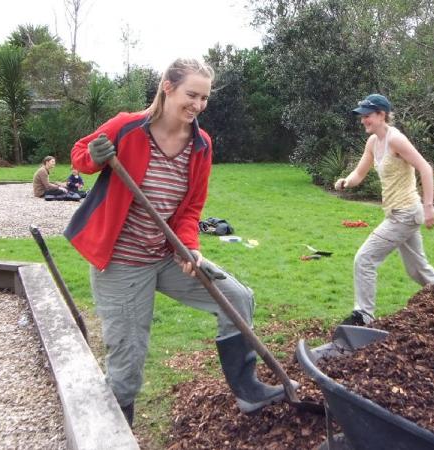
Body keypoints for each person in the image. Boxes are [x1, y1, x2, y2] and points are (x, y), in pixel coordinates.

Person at [64, 58, 290, 426]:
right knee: (128, 362)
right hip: (121, 263)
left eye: (204, 98)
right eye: (191, 94)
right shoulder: (127, 127)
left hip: (166, 256)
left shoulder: (200, 145)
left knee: (237, 297)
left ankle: (247, 389)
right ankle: (114, 431)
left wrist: (190, 247)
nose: (198, 105)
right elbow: (80, 156)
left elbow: (191, 209)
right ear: (167, 87)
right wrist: (94, 156)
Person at [335, 94, 434, 326]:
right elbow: (360, 173)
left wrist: (429, 207)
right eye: (362, 116)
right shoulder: (373, 143)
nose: (363, 120)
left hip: (405, 214)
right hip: (399, 213)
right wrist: (346, 181)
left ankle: (363, 316)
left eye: (367, 116)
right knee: (417, 270)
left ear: (381, 115)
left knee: (364, 259)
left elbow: (425, 168)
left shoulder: (396, 140)